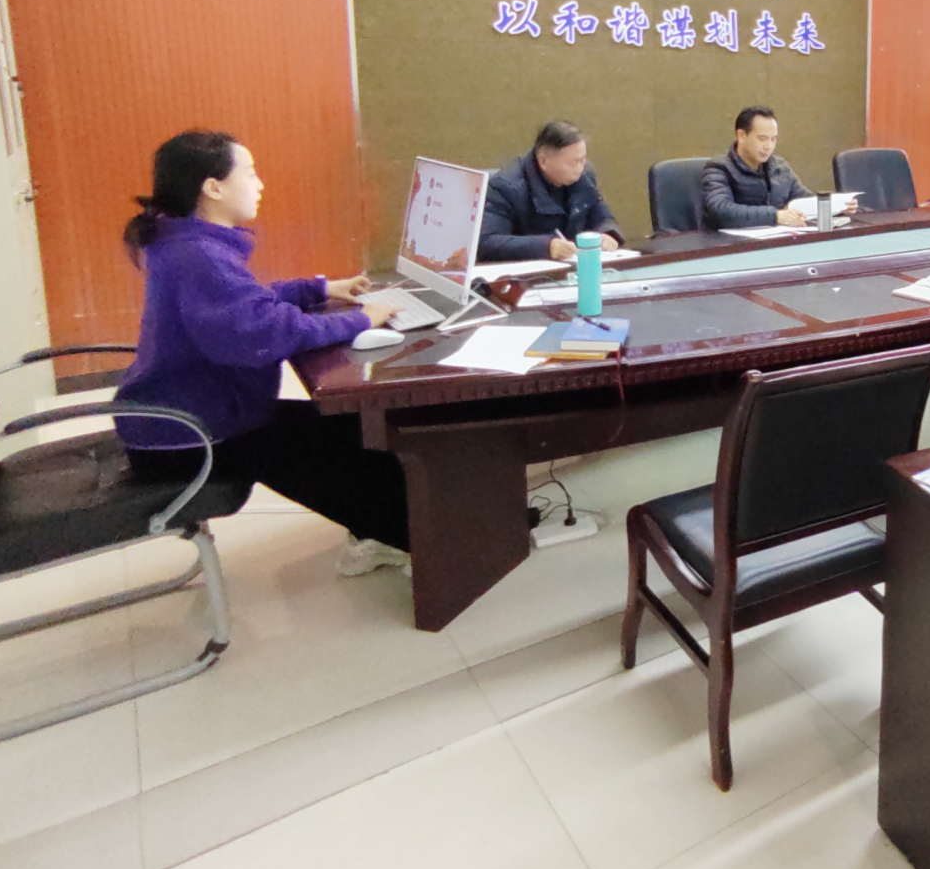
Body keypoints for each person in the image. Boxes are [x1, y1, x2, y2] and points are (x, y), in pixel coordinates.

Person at [114, 131, 414, 577]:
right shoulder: (199, 256)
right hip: (190, 436)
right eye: (250, 174)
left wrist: (317, 289)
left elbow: (245, 305)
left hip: (185, 415)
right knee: (350, 441)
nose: (259, 185)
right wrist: (360, 320)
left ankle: (383, 534)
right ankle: (420, 544)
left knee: (351, 427)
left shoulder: (185, 241)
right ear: (213, 188)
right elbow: (263, 333)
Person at [477, 120, 622, 262]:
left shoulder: (584, 176)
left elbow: (602, 217)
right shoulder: (505, 187)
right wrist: (545, 246)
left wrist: (607, 234)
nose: (580, 168)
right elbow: (486, 242)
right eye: (573, 162)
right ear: (544, 161)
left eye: (583, 160)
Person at [702, 106, 811, 229]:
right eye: (762, 139)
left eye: (773, 139)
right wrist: (775, 216)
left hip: (777, 237)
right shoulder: (719, 168)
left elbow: (807, 200)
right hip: (732, 239)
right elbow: (721, 210)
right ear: (741, 136)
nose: (768, 146)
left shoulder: (779, 168)